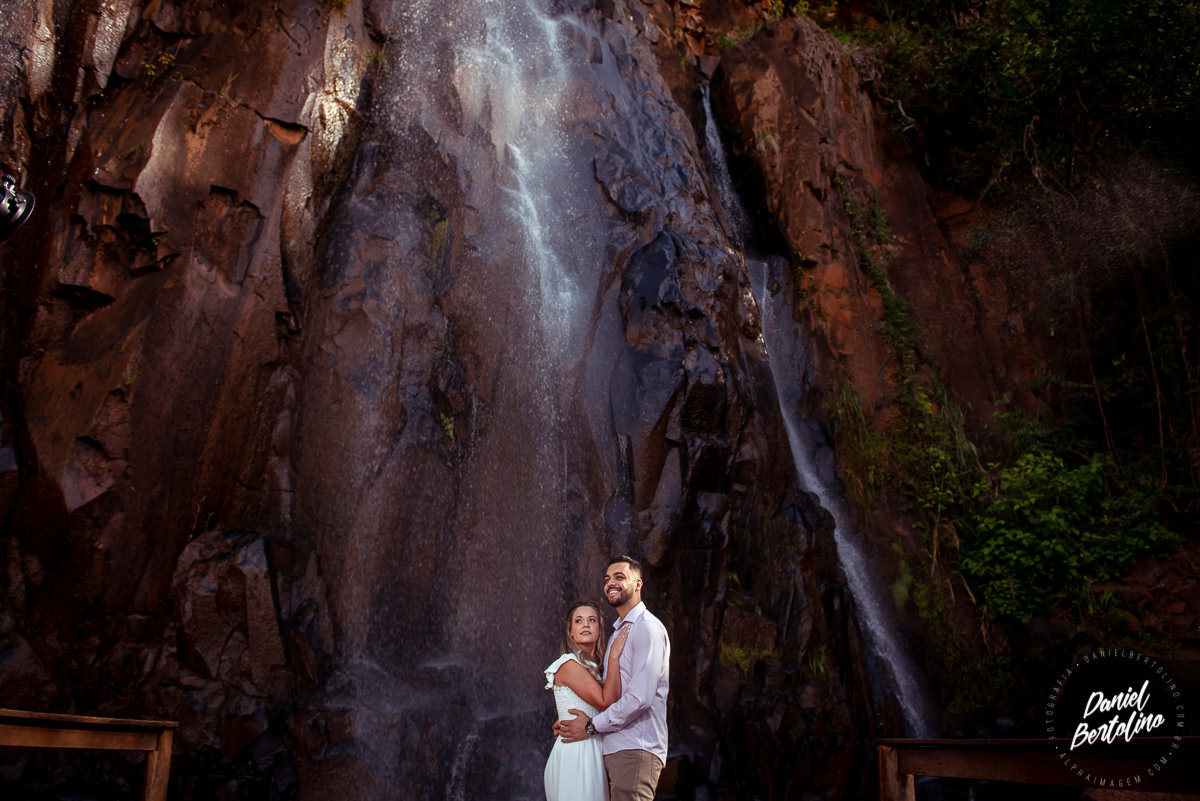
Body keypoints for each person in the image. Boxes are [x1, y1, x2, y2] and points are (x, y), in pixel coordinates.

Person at [560, 555, 670, 801]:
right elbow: (611, 697)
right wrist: (569, 718)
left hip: (635, 748)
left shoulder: (647, 628)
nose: (611, 583)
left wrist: (590, 726)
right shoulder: (618, 634)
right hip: (614, 750)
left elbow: (640, 698)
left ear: (639, 584)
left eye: (620, 577)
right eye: (607, 579)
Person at [544, 601, 630, 801]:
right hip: (577, 753)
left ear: (599, 630)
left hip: (592, 748)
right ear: (571, 632)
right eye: (579, 621)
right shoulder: (568, 664)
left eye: (592, 620)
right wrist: (615, 656)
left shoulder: (595, 668)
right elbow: (605, 701)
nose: (585, 625)